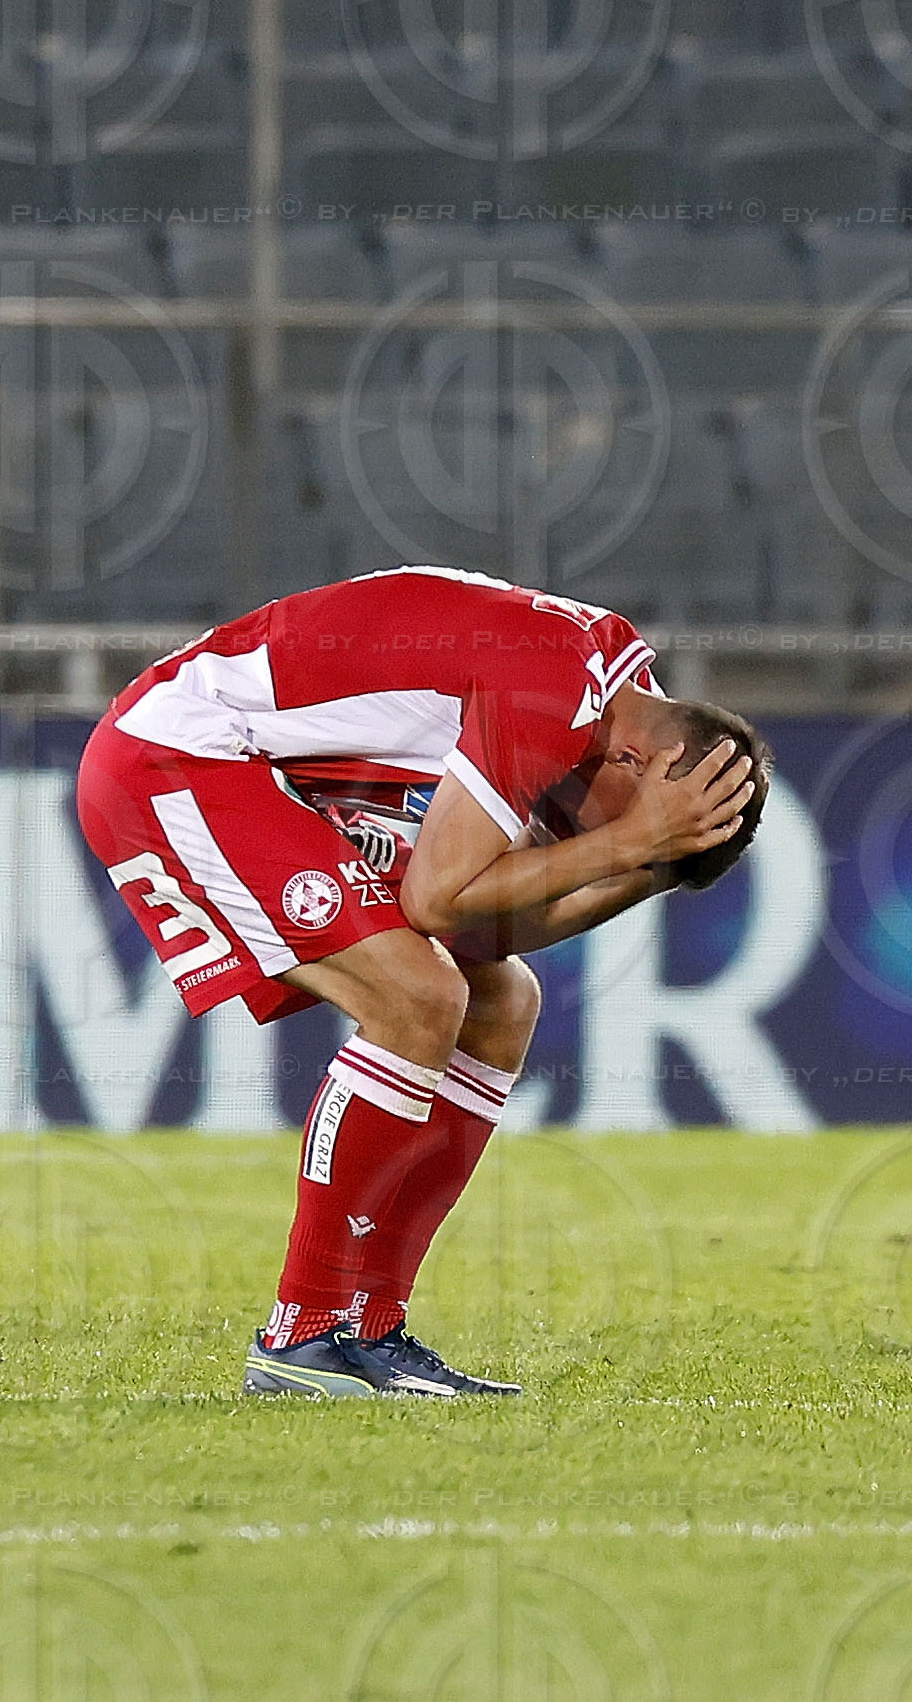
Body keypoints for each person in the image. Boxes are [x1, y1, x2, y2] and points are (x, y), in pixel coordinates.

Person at [77, 565, 771, 1397]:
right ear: (639, 760)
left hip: (266, 767)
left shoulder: (601, 686)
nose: (597, 835)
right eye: (636, 822)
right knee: (418, 994)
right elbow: (439, 898)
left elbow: (495, 924)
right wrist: (627, 848)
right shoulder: (554, 691)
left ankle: (369, 1330)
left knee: (500, 1003)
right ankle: (301, 1336)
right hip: (180, 755)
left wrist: (644, 864)